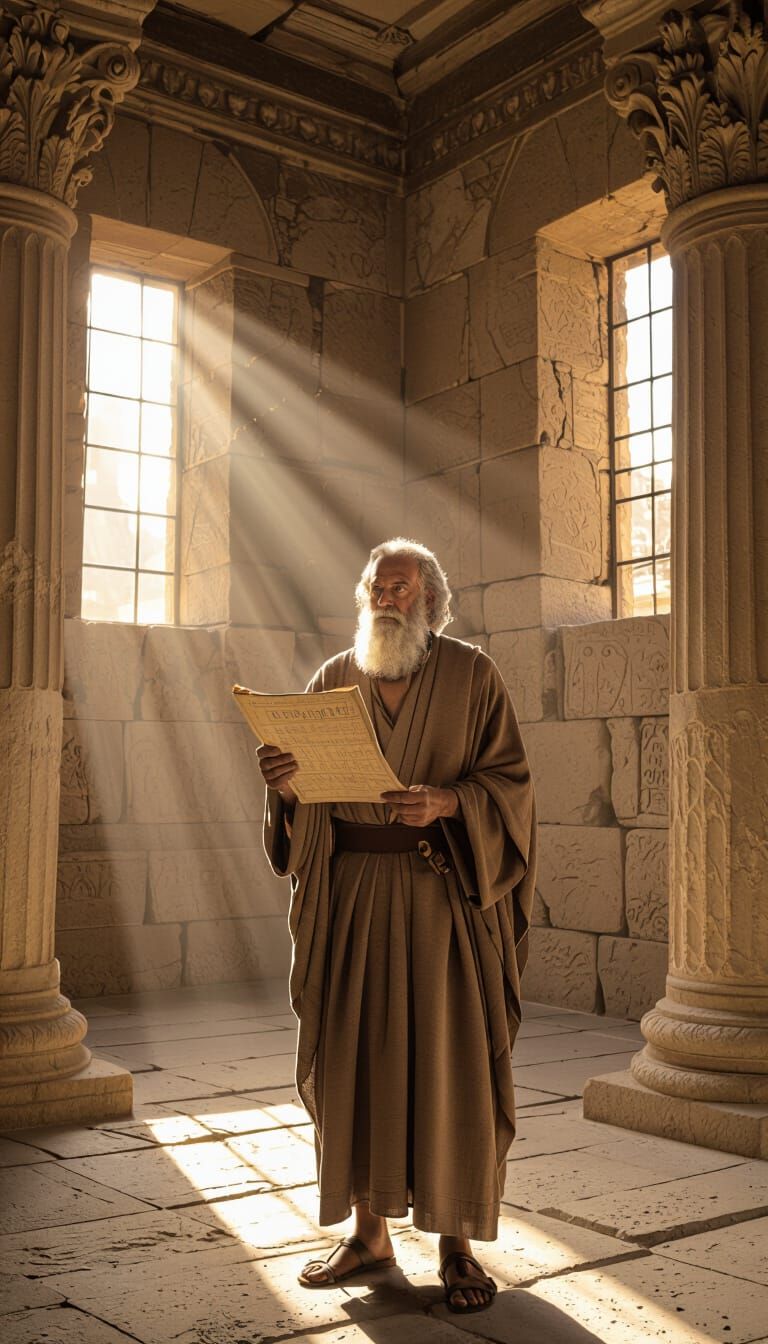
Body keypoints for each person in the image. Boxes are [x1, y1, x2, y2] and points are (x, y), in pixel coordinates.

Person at [258, 538, 536, 1314]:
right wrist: (284, 787)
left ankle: (456, 1243)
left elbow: (511, 784)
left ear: (431, 600)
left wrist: (449, 803)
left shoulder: (474, 675)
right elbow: (304, 798)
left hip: (440, 895)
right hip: (349, 898)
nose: (386, 598)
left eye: (401, 588)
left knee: (451, 1063)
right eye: (377, 588)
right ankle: (369, 1233)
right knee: (354, 1058)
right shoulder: (332, 679)